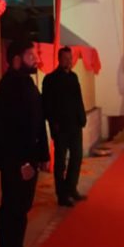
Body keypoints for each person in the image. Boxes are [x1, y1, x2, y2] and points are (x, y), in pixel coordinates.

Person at [0, 40, 50, 247]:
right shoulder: (7, 88)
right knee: (11, 211)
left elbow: (37, 121)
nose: (35, 59)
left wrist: (43, 155)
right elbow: (6, 131)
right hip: (16, 162)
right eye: (30, 55)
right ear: (16, 59)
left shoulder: (26, 83)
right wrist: (21, 163)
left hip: (30, 160)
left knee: (21, 210)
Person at [42, 46, 87, 208]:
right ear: (59, 59)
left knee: (77, 158)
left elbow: (78, 99)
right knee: (60, 162)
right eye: (65, 58)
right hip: (60, 128)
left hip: (75, 125)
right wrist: (54, 124)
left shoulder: (73, 77)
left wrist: (82, 118)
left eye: (70, 58)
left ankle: (71, 188)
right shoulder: (50, 79)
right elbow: (47, 105)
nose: (68, 61)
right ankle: (62, 195)